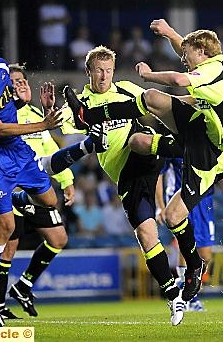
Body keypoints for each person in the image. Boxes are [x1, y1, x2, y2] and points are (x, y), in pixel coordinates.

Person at [64, 19, 223, 313]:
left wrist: (150, 74)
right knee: (149, 106)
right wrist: (169, 34)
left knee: (175, 216)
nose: (184, 60)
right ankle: (91, 115)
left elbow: (178, 79)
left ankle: (194, 266)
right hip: (200, 128)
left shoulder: (216, 69)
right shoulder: (211, 66)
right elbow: (187, 53)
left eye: (187, 55)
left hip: (214, 152)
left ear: (202, 51)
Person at [61, 45, 186, 326]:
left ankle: (189, 148)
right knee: (145, 233)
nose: (104, 76)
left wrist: (182, 110)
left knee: (138, 139)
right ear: (89, 72)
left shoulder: (127, 89)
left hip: (145, 149)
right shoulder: (80, 104)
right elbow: (60, 124)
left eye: (109, 71)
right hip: (125, 174)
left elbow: (156, 107)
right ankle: (172, 294)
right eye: (99, 71)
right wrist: (48, 113)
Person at [0, 29, 65, 326]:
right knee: (4, 227)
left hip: (17, 149)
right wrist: (42, 125)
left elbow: (8, 109)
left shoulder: (3, 66)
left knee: (50, 200)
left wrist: (38, 110)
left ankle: (15, 200)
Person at [0, 64, 79, 319]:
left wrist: (66, 181)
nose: (20, 84)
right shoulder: (2, 116)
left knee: (58, 239)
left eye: (22, 80)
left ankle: (24, 285)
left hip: (36, 188)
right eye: (13, 81)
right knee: (9, 246)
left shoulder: (33, 113)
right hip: (10, 189)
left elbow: (49, 150)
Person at [156, 157, 223, 312]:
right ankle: (186, 295)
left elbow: (220, 166)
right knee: (186, 242)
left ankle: (188, 289)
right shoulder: (173, 143)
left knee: (206, 255)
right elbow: (160, 175)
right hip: (180, 197)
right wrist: (160, 206)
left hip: (204, 199)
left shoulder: (205, 141)